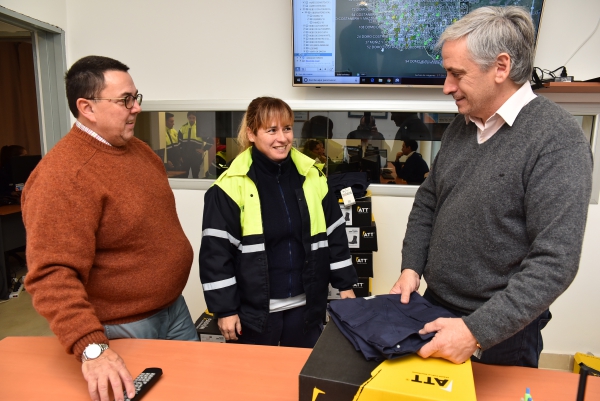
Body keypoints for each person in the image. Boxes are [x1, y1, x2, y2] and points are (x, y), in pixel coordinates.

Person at [390, 6, 593, 368]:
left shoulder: (557, 139)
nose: (446, 87)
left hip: (501, 333)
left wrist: (475, 332)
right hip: (434, 307)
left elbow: (555, 262)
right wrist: (410, 269)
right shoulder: (461, 127)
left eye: (456, 74)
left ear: (500, 67)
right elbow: (428, 203)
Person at [21, 55, 198, 401]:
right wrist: (91, 349)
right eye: (125, 101)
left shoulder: (140, 152)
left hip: (173, 310)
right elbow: (51, 275)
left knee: (193, 390)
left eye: (136, 97)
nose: (136, 108)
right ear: (86, 107)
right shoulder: (63, 176)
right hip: (121, 328)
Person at [199, 96, 357, 348]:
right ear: (251, 134)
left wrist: (345, 285)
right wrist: (225, 309)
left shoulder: (312, 176)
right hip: (254, 314)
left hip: (306, 309)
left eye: (286, 128)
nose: (281, 138)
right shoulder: (229, 187)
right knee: (255, 384)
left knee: (300, 380)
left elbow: (335, 234)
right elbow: (215, 254)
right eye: (271, 130)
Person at [178, 111, 210, 178]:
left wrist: (203, 149)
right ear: (187, 118)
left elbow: (210, 141)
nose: (192, 119)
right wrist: (180, 155)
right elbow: (179, 144)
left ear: (196, 118)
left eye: (193, 118)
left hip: (196, 157)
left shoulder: (200, 128)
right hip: (185, 157)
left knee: (195, 175)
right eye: (190, 118)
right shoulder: (183, 128)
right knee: (183, 175)